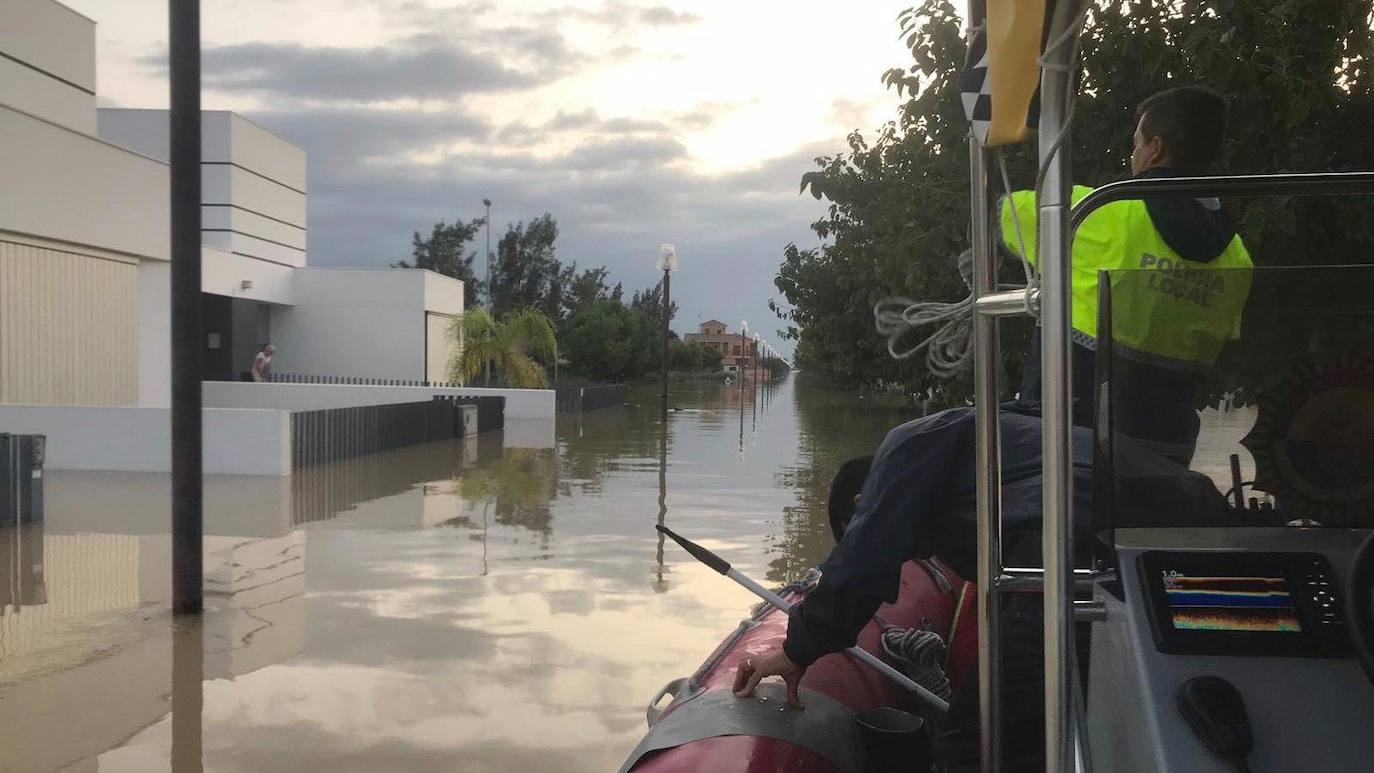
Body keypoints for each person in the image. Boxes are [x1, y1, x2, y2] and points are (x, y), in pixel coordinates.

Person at [732, 402, 1228, 771]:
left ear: (866, 499)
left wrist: (798, 649)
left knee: (973, 742)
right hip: (1186, 523)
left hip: (1075, 548)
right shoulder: (992, 434)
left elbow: (864, 559)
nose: (909, 558)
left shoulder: (905, 448)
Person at [1004, 85, 1253, 463]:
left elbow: (1004, 212)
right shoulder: (1237, 258)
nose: (1133, 154)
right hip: (1167, 454)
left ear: (1155, 148)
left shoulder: (1094, 212)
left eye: (1136, 143)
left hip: (1068, 448)